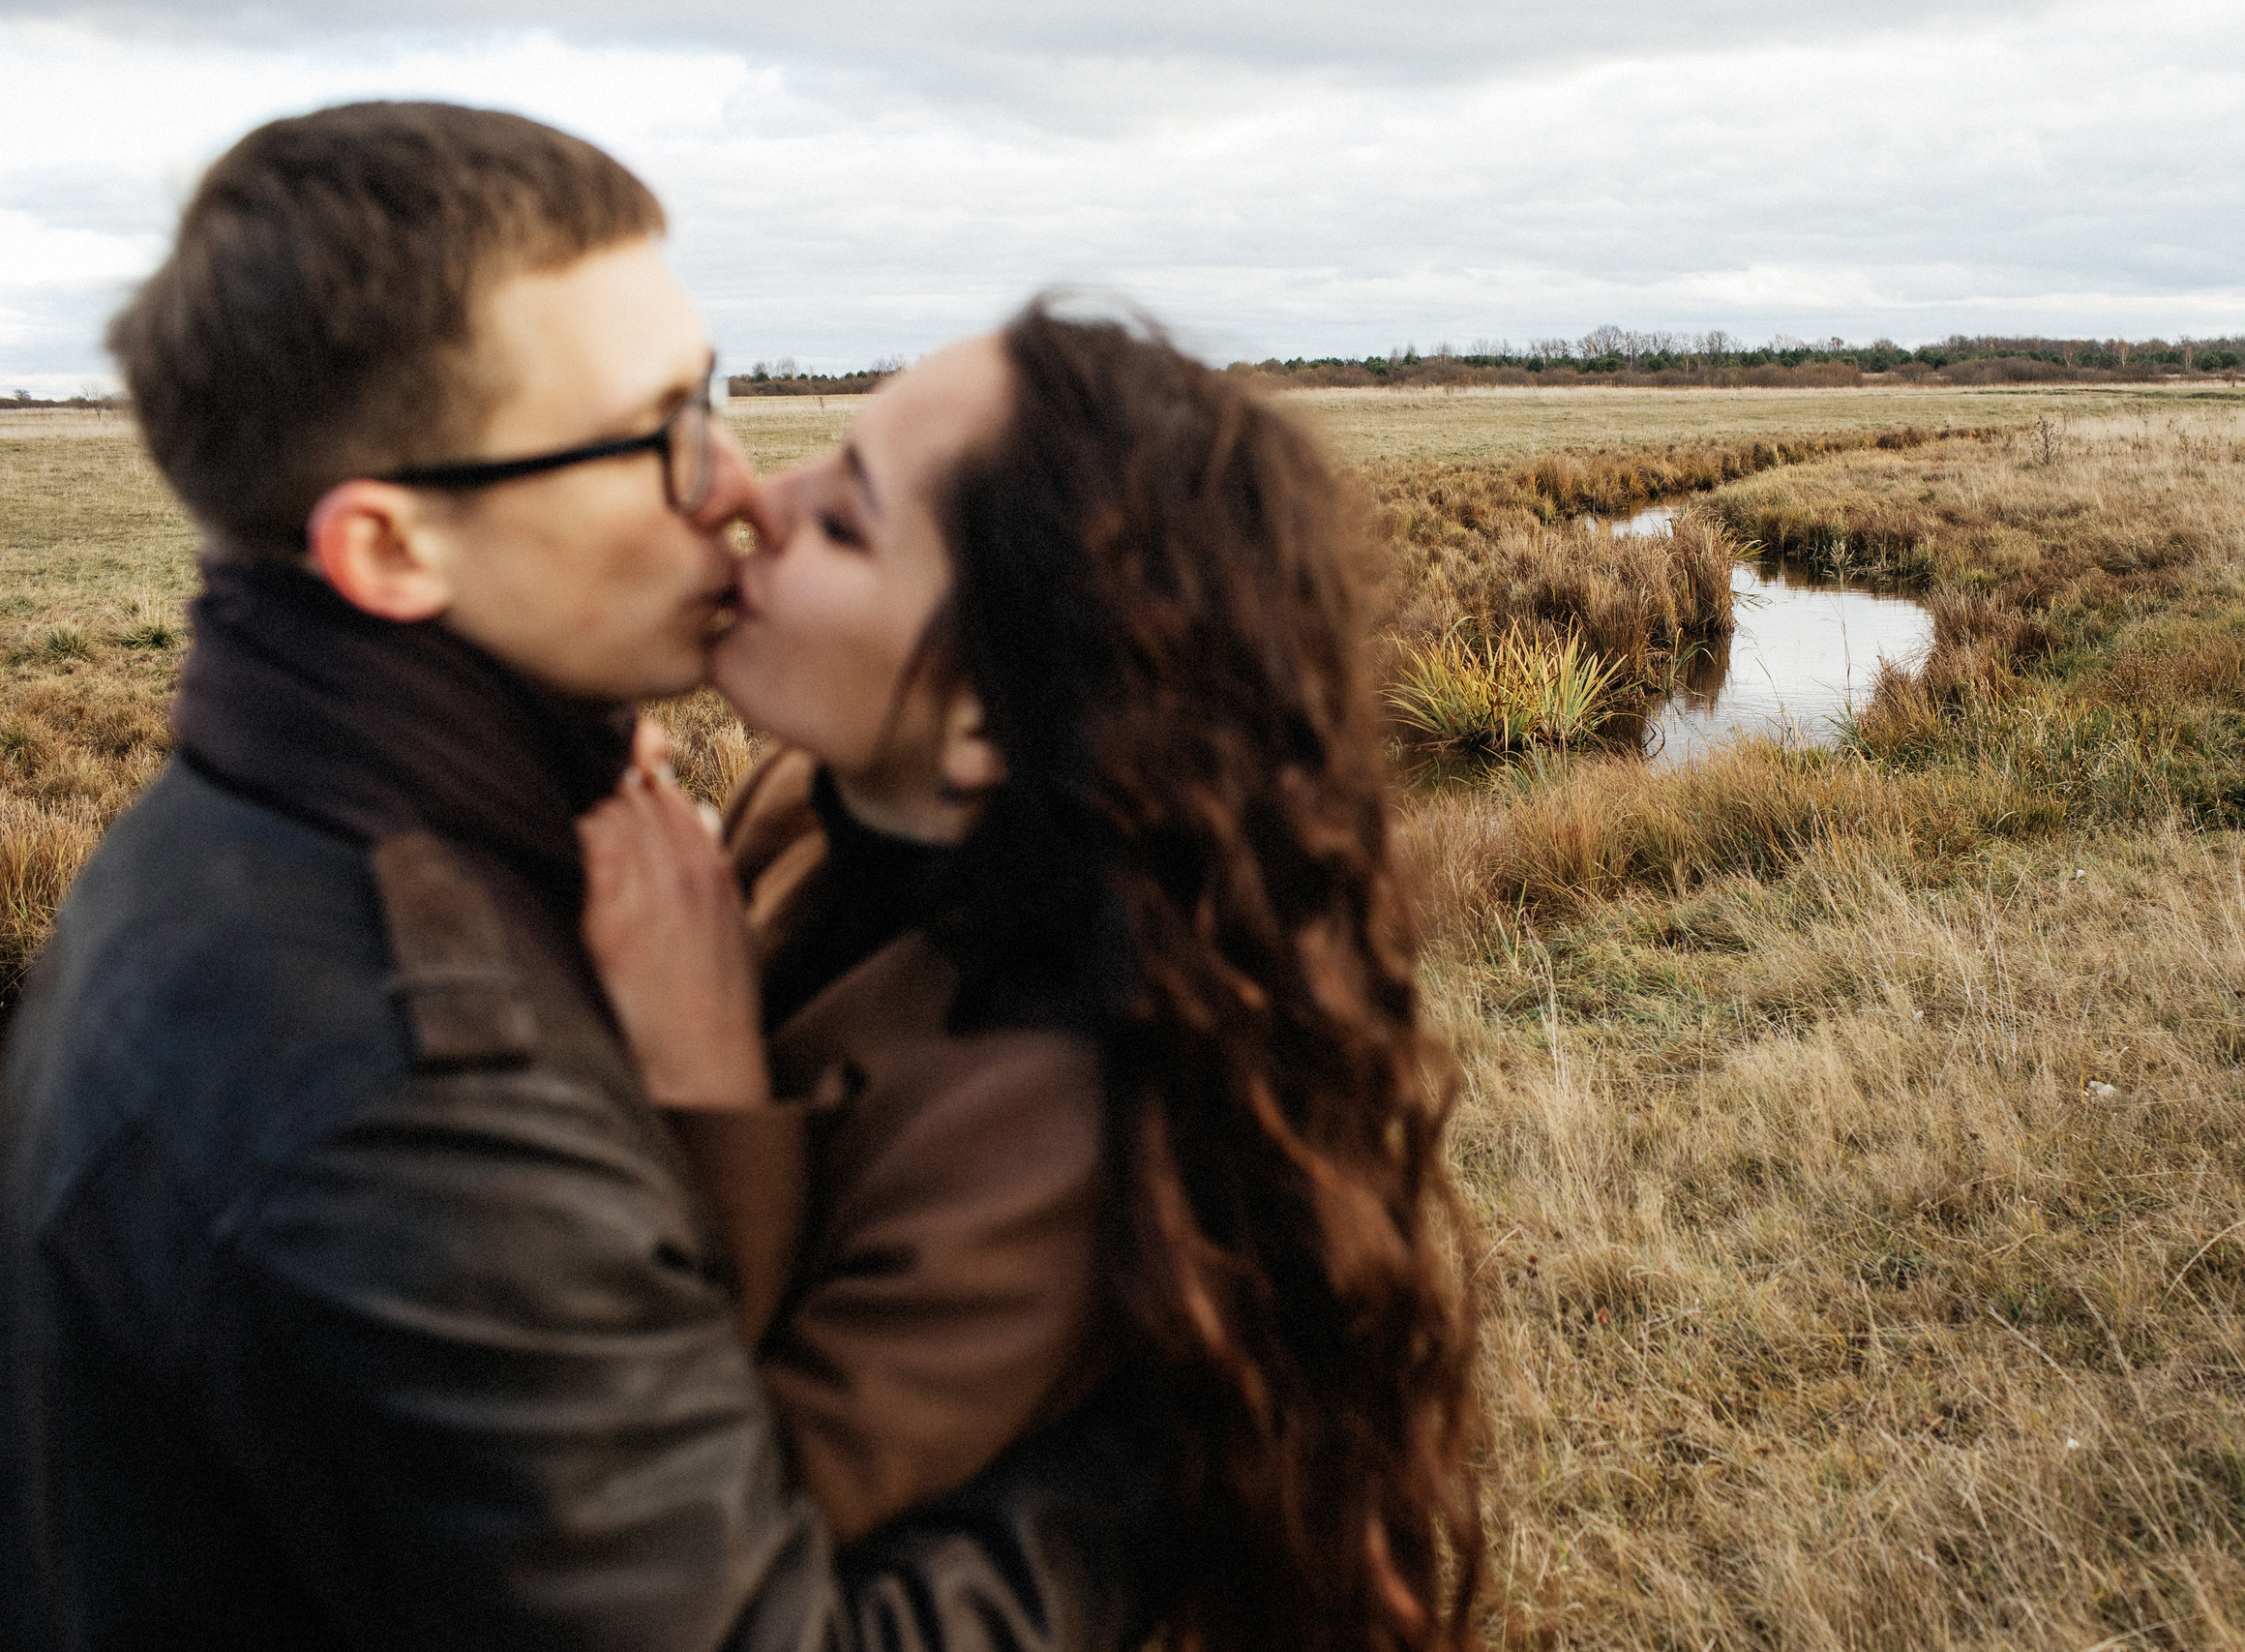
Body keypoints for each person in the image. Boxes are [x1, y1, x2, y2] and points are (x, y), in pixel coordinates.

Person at [0, 104, 1155, 1652]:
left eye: (718, 395)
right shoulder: (409, 1093)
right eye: (658, 434)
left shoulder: (247, 829)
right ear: (392, 552)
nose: (739, 489)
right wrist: (1159, 1481)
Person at [576, 303, 1485, 1652]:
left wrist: (702, 1066)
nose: (760, 503)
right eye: (823, 458)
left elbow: (716, 1540)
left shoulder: (1054, 1123)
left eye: (844, 524)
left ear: (988, 726)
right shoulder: (810, 801)